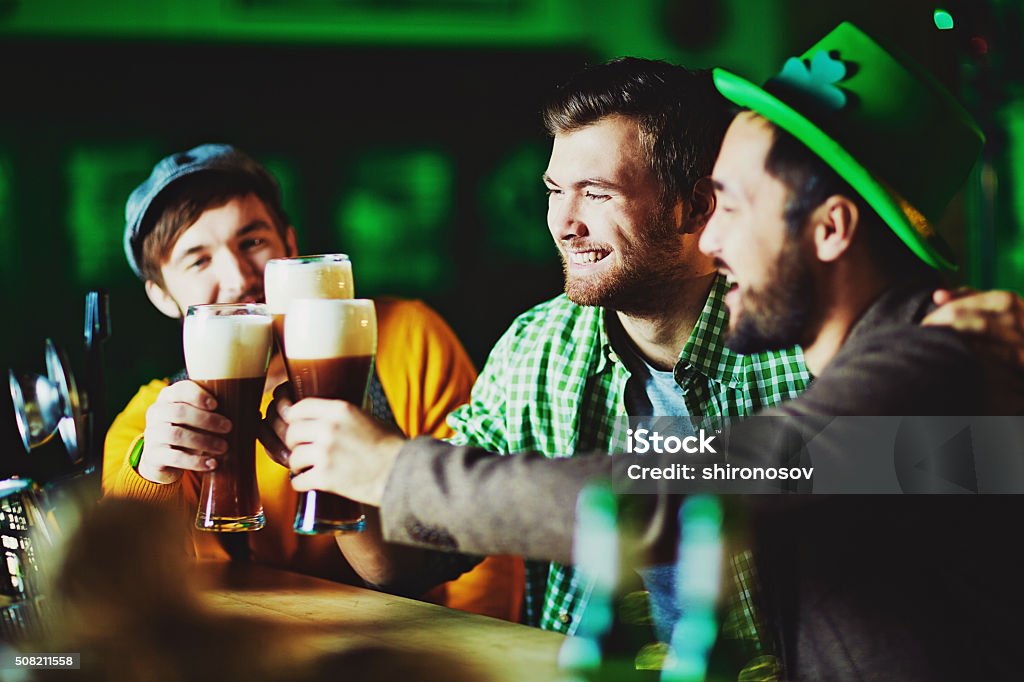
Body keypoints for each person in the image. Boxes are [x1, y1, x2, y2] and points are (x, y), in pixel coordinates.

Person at [272, 23, 1024, 678]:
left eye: (729, 206)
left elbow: (687, 496)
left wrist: (393, 467)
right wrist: (346, 462)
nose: (715, 237)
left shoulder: (931, 374)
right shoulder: (920, 362)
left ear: (830, 229)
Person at [102, 144, 522, 621]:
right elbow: (129, 580)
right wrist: (153, 471)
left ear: (289, 245)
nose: (238, 276)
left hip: (419, 649)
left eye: (253, 241)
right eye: (198, 261)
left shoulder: (409, 338)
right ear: (161, 295)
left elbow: (486, 533)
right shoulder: (152, 420)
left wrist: (482, 650)